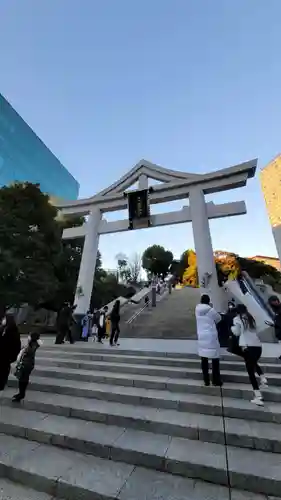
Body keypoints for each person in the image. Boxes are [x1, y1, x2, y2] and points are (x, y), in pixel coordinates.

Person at [231, 304, 267, 406]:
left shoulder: (237, 319)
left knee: (250, 372)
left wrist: (232, 328)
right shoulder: (251, 318)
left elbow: (237, 332)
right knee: (253, 363)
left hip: (247, 346)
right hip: (257, 346)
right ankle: (263, 378)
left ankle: (258, 396)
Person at [195, 294, 222, 387]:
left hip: (201, 336)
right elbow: (219, 318)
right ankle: (216, 380)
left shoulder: (197, 310)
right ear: (208, 301)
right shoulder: (210, 310)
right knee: (215, 359)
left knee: (204, 359)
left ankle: (206, 380)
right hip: (210, 336)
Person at [12, 332, 42, 402]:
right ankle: (21, 393)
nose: (28, 337)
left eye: (29, 336)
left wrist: (24, 350)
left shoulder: (32, 345)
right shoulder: (31, 344)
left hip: (26, 365)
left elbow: (28, 352)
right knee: (22, 379)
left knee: (23, 379)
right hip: (26, 363)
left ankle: (21, 394)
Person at [0, 313, 21, 392]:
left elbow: (16, 346)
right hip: (2, 355)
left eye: (4, 319)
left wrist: (12, 357)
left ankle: (1, 384)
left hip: (6, 356)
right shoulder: (2, 329)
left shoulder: (13, 331)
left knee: (3, 370)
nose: (3, 320)